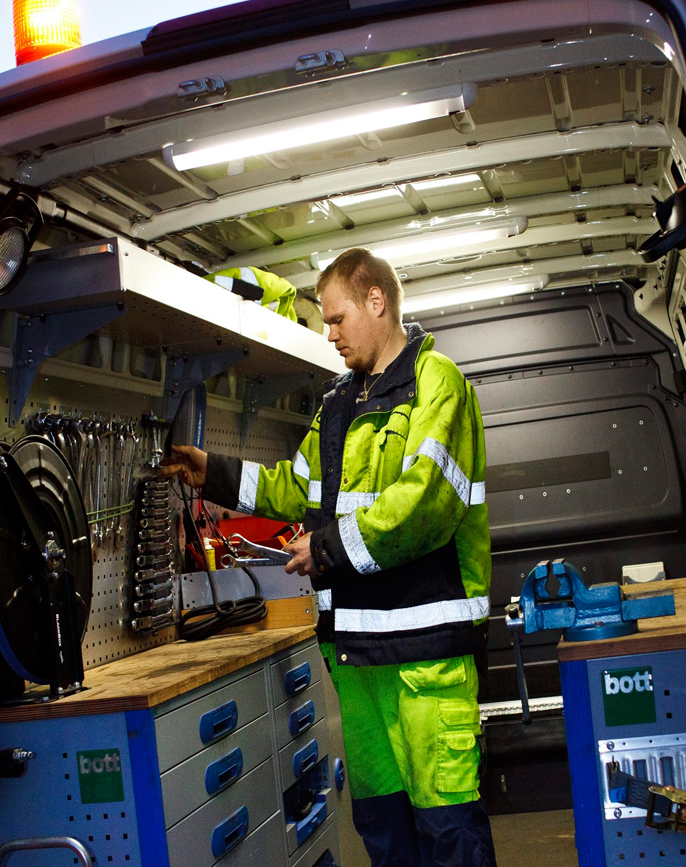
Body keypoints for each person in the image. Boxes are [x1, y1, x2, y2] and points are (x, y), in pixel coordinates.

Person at [161, 248, 496, 867]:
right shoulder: (338, 403)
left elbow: (424, 505)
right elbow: (297, 485)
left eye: (338, 318)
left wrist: (326, 548)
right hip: (357, 658)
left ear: (378, 300)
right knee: (384, 827)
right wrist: (218, 477)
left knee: (449, 831)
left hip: (428, 662)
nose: (330, 333)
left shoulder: (437, 383)